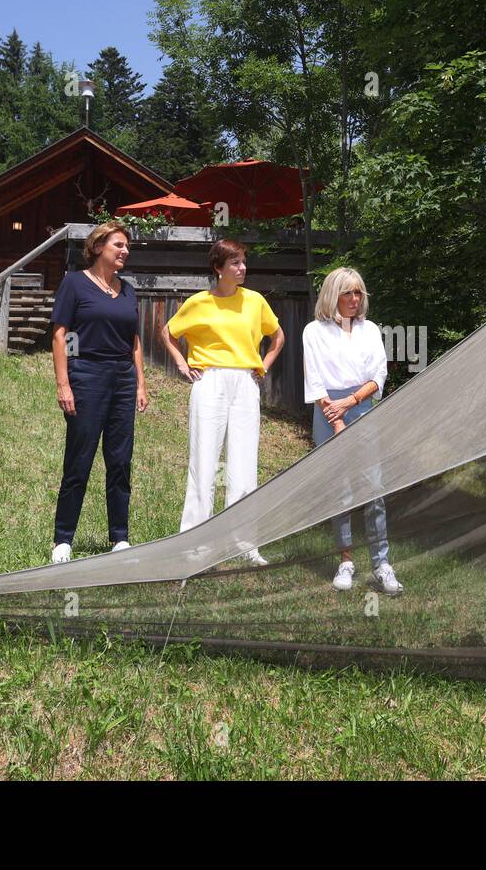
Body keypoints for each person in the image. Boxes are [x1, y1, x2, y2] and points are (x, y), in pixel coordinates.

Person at [161, 239, 284, 565]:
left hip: (245, 382)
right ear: (218, 268)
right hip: (210, 381)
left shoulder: (255, 301)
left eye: (244, 262)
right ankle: (195, 542)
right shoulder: (199, 303)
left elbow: (278, 337)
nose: (242, 268)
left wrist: (264, 366)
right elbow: (168, 333)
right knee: (204, 460)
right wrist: (181, 362)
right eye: (235, 263)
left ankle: (244, 544)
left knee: (244, 463)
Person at [49, 221, 149, 563]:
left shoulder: (128, 289)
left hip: (122, 379)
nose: (124, 251)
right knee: (79, 459)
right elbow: (60, 335)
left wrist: (140, 383)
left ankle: (119, 537)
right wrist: (63, 383)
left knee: (120, 461)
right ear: (97, 247)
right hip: (86, 375)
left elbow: (134, 340)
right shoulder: (74, 284)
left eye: (127, 247)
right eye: (118, 245)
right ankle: (63, 538)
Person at [302, 267, 401, 595]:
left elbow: (379, 374)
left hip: (361, 407)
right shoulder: (313, 332)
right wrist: (337, 418)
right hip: (327, 412)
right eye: (348, 293)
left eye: (359, 293)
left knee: (373, 487)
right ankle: (345, 560)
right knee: (340, 490)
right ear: (333, 295)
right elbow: (315, 381)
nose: (355, 299)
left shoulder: (370, 329)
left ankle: (382, 563)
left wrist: (351, 403)